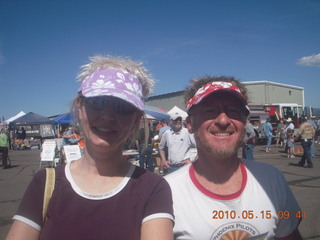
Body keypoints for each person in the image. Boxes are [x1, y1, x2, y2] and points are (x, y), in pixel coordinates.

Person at [6, 55, 174, 240]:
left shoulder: (152, 188)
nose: (108, 116)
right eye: (99, 102)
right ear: (80, 106)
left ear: (135, 119)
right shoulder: (45, 183)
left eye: (122, 106)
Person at [165, 76, 302, 239]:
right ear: (190, 124)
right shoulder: (166, 192)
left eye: (233, 111)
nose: (223, 120)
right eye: (210, 111)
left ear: (244, 121)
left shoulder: (272, 179)